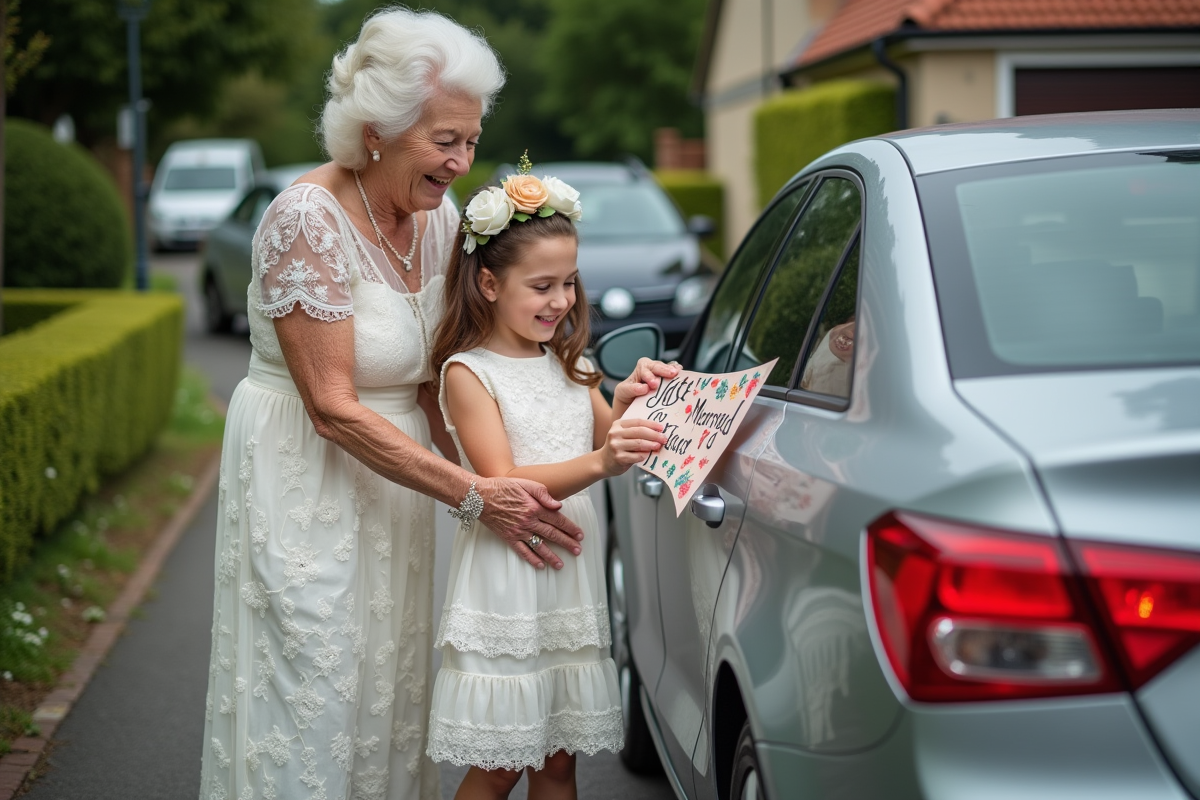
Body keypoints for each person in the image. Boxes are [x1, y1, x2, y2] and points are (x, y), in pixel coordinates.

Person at [197, 11, 675, 800]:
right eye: (445, 139)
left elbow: (492, 360)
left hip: (404, 489)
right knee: (315, 680)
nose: (462, 161)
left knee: (392, 685)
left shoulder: (440, 220)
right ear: (378, 129)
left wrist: (611, 396)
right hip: (306, 477)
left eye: (471, 139)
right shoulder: (303, 220)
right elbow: (331, 407)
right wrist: (476, 495)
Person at [426, 168, 671, 799]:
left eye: (568, 283)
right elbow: (502, 479)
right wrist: (603, 463)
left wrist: (637, 398)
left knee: (560, 761)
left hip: (568, 575)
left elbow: (605, 437)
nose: (560, 300)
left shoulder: (572, 362)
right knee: (502, 762)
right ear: (487, 283)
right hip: (512, 572)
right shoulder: (468, 373)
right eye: (541, 286)